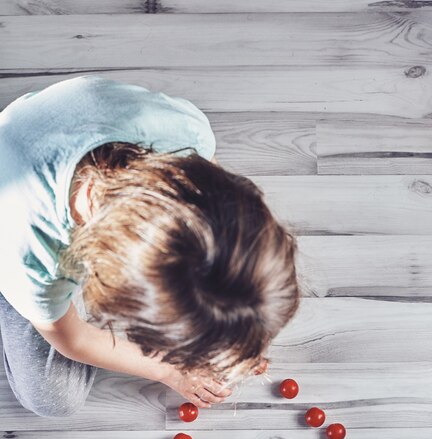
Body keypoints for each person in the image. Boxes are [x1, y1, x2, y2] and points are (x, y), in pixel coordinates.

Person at [0, 74, 300, 418]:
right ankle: (13, 292)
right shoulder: (35, 252)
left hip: (55, 127)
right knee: (54, 399)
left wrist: (235, 331)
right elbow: (71, 338)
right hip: (12, 216)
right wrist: (167, 369)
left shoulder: (190, 135)